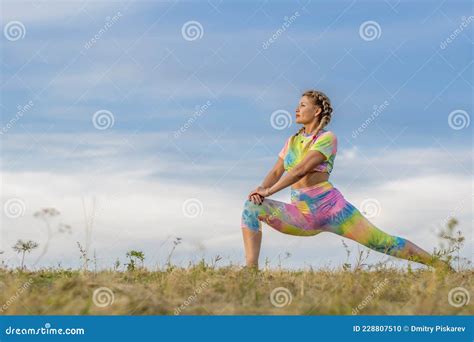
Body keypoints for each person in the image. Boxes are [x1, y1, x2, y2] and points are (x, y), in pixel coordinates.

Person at [241, 89, 452, 272]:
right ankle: (251, 270)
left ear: (316, 111)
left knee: (382, 242)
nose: (296, 109)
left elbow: (301, 170)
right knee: (251, 207)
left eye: (302, 105)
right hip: (303, 216)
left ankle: (441, 266)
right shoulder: (292, 141)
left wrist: (270, 192)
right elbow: (277, 171)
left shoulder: (327, 138)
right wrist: (261, 189)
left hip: (334, 210)